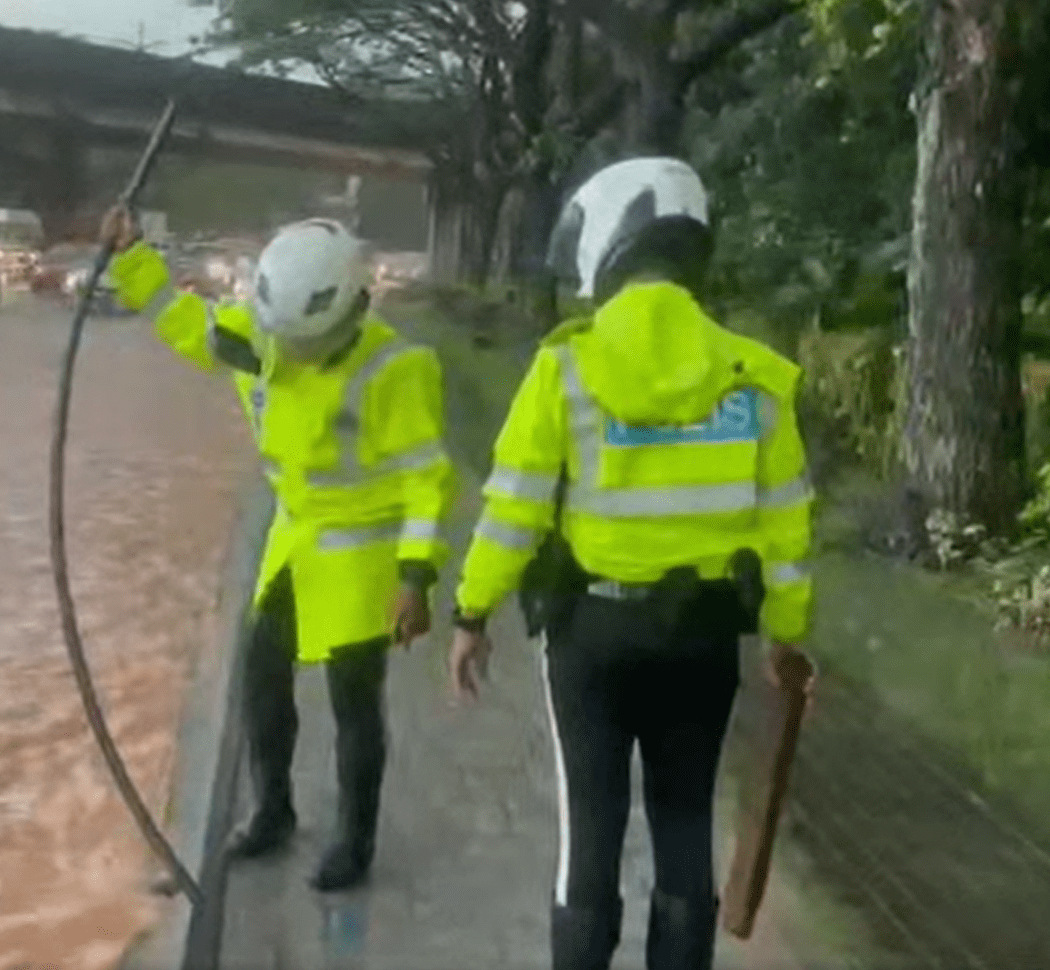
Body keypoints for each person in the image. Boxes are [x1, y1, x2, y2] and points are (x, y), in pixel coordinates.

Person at [446, 157, 815, 970]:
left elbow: (513, 508)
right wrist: (785, 637)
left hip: (593, 637)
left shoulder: (564, 368)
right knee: (685, 825)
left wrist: (471, 614)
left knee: (593, 827)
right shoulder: (755, 379)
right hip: (705, 639)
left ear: (608, 243)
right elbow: (789, 527)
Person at [99, 208, 457, 891]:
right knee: (262, 679)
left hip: (364, 556)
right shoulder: (258, 337)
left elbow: (428, 480)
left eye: (307, 343)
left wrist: (417, 576)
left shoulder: (398, 368)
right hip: (294, 540)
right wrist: (131, 256)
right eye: (283, 341)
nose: (290, 356)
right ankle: (272, 810)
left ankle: (356, 837)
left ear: (355, 308)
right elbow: (185, 322)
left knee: (354, 703)